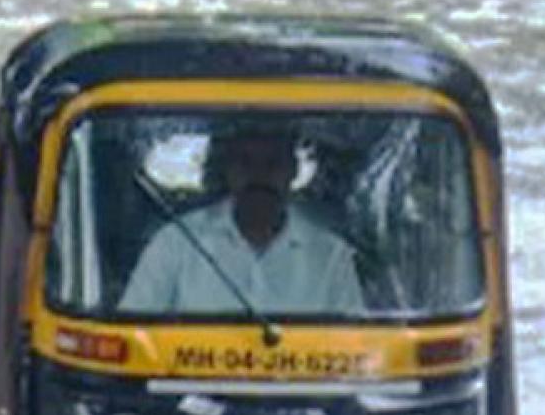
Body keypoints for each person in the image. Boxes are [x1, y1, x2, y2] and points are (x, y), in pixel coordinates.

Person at [119, 127, 364, 315]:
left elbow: (358, 355)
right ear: (227, 169)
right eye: (245, 162)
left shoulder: (332, 257)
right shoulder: (175, 243)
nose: (259, 176)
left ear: (293, 171)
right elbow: (132, 332)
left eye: (272, 163)